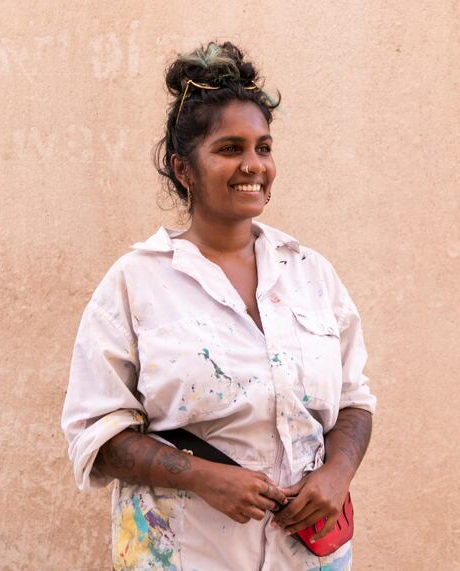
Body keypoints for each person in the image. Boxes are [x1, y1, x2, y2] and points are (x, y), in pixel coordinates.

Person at [61, 41, 376, 571]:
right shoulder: (136, 284)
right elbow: (98, 435)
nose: (253, 165)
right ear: (184, 169)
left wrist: (336, 473)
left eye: (263, 147)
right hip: (186, 554)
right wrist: (206, 477)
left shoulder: (310, 274)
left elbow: (354, 401)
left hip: (309, 557)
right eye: (230, 148)